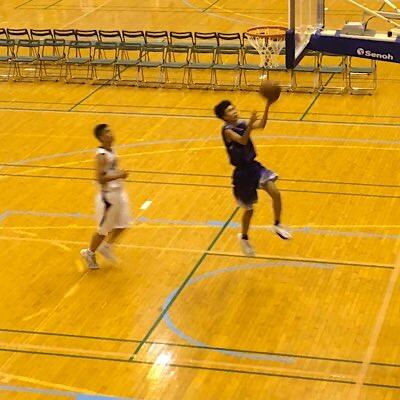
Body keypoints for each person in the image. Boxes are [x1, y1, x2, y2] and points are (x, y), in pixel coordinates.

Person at [214, 99, 291, 256]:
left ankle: (277, 225)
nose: (234, 111)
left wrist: (268, 105)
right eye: (230, 111)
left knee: (276, 193)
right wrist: (249, 124)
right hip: (242, 174)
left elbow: (261, 125)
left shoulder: (242, 124)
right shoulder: (227, 131)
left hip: (254, 167)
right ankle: (244, 238)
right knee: (249, 210)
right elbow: (242, 141)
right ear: (224, 117)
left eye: (234, 108)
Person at [80, 124, 132, 269]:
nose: (111, 133)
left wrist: (117, 174)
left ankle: (106, 247)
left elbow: (110, 171)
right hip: (108, 197)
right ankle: (89, 252)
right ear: (101, 137)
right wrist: (119, 175)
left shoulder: (111, 150)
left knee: (124, 223)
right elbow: (100, 178)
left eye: (110, 131)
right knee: (104, 230)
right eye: (107, 132)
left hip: (119, 192)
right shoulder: (101, 156)